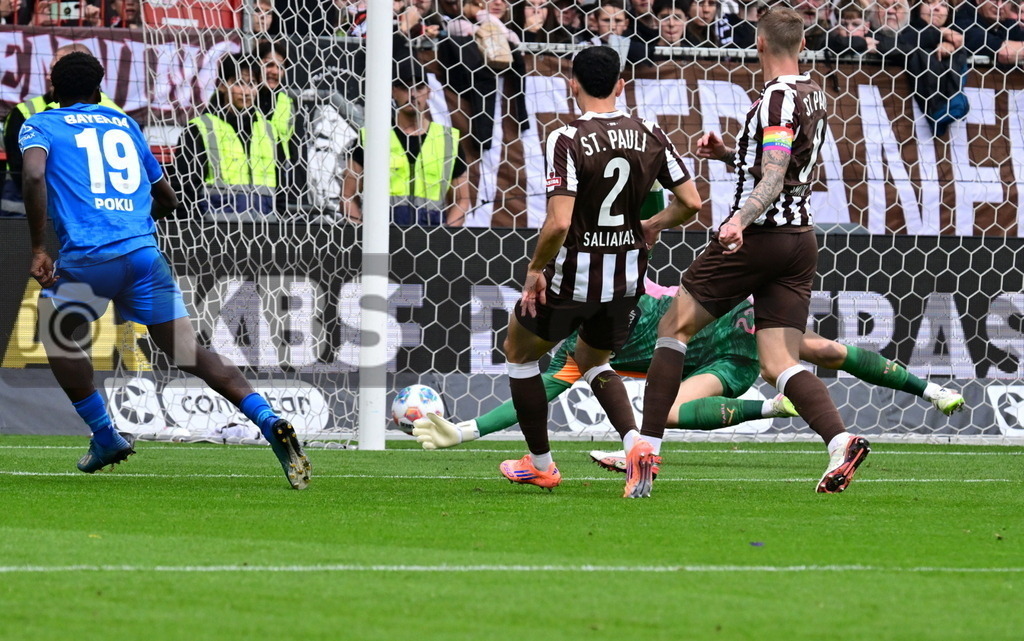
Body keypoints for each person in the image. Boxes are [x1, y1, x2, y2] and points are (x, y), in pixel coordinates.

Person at [19, 51, 310, 488]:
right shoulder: (125, 125)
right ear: (100, 90)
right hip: (143, 256)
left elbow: (35, 175)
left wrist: (40, 246)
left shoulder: (40, 124)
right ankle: (268, 420)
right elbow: (170, 199)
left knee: (56, 334)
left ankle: (104, 435)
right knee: (192, 354)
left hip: (89, 259)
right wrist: (131, 222)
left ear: (53, 89)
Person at [640, 7, 869, 498]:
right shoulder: (814, 95)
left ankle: (644, 448)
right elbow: (784, 168)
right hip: (798, 241)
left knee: (672, 327)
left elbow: (772, 173)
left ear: (759, 44)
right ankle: (841, 440)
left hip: (759, 238)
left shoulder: (776, 99)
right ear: (802, 44)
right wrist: (728, 154)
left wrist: (737, 221)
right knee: (777, 362)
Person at [492, 45, 701, 495]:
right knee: (591, 358)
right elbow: (691, 204)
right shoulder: (651, 133)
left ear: (573, 85)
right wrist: (651, 225)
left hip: (572, 279)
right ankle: (636, 446)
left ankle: (541, 464)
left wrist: (535, 270)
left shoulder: (565, 137)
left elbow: (560, 221)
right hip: (626, 281)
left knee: (518, 350)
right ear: (621, 85)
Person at [413, 282, 966, 451]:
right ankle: (775, 405)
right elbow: (533, 401)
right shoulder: (574, 353)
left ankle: (930, 389)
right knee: (667, 413)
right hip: (720, 363)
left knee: (823, 351)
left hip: (728, 321)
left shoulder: (625, 298)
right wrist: (465, 428)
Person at [342, 62, 471, 225]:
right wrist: (362, 236)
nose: (412, 94)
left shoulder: (448, 139)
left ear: (429, 92)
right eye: (404, 87)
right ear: (392, 92)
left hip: (431, 237)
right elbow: (347, 195)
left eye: (419, 88)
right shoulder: (372, 137)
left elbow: (462, 200)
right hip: (382, 236)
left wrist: (444, 239)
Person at [3, 44, 122, 217]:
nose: (47, 76)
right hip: (23, 209)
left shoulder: (118, 117)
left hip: (88, 213)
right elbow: (19, 168)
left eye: (54, 69)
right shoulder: (25, 111)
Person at [173, 54, 286, 219]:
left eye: (252, 84)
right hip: (214, 231)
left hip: (266, 230)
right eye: (239, 83)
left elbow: (284, 186)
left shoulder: (269, 131)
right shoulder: (200, 128)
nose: (246, 92)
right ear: (222, 86)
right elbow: (184, 187)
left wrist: (279, 221)